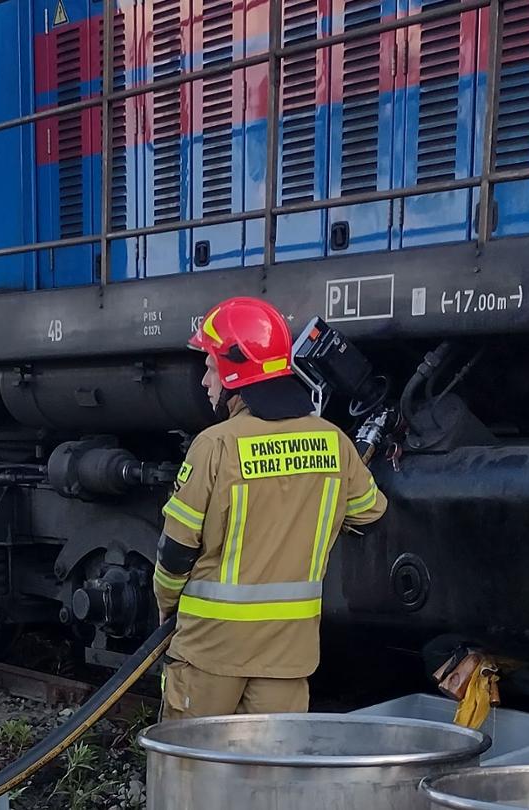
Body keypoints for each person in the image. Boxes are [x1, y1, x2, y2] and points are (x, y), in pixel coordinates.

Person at [151, 296, 387, 719]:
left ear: (233, 370)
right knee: (271, 774)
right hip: (288, 654)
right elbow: (369, 510)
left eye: (209, 367)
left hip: (211, 651)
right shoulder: (332, 440)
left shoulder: (215, 445)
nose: (205, 381)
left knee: (193, 770)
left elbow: (175, 552)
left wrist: (167, 609)